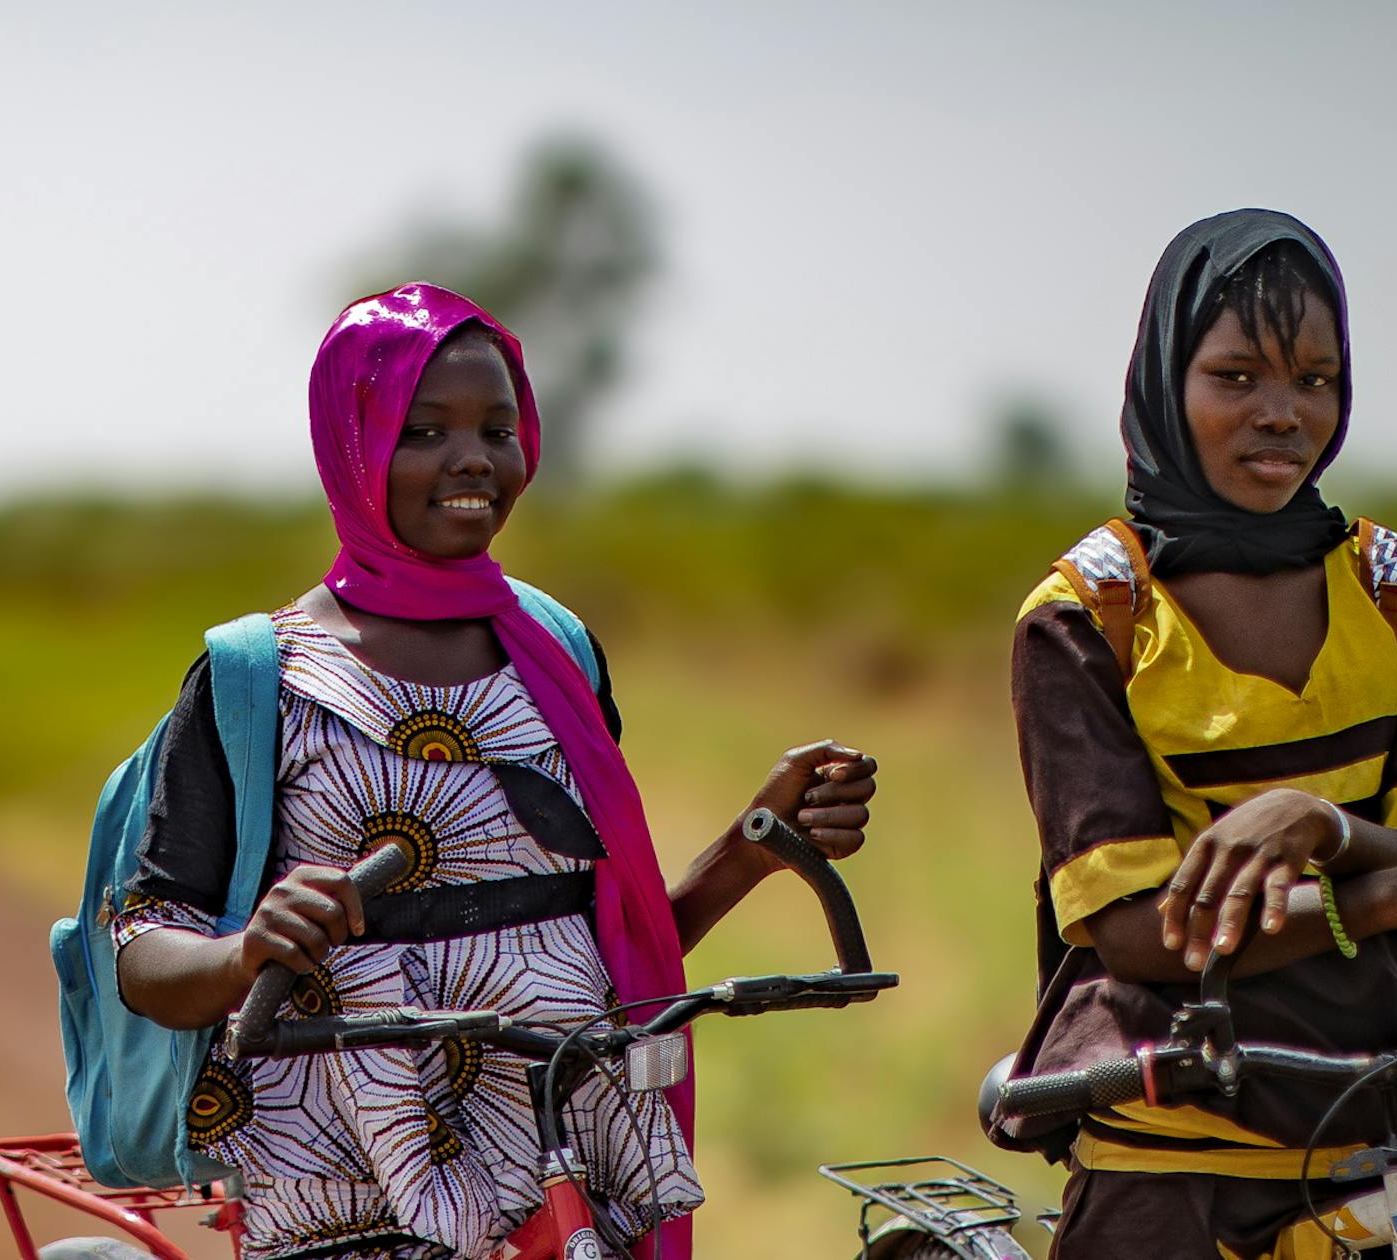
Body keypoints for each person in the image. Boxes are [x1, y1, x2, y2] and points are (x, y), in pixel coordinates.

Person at [109, 283, 880, 1260]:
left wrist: (755, 848)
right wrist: (245, 952)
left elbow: (604, 951)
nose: (472, 457)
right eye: (423, 429)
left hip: (569, 1139)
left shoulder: (555, 651)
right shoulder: (259, 680)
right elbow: (145, 957)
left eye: (497, 428)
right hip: (349, 1169)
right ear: (353, 442)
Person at [996, 210, 1397, 1258]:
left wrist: (1316, 828)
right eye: (1237, 377)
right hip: (1173, 1153)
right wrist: (1382, 889)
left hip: (1379, 1134)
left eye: (1316, 379)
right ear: (1166, 381)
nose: (1284, 414)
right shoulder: (1089, 619)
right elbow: (1136, 930)